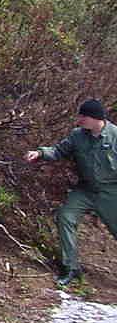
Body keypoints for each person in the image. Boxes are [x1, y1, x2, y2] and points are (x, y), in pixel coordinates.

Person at [23, 99, 117, 287]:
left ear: (96, 118)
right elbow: (58, 151)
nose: (80, 120)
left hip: (111, 192)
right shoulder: (77, 136)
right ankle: (71, 268)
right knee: (65, 217)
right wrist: (40, 153)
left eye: (84, 116)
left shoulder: (115, 135)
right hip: (85, 190)